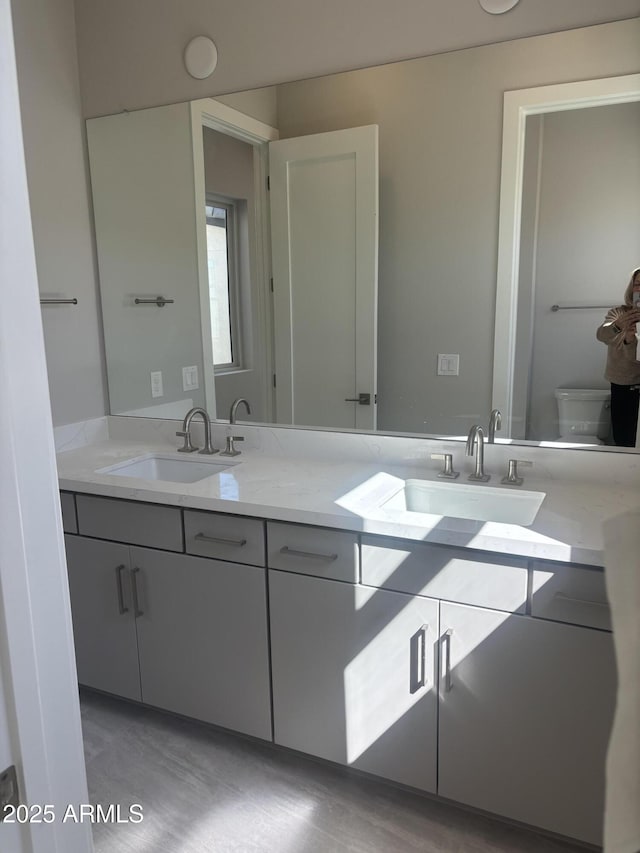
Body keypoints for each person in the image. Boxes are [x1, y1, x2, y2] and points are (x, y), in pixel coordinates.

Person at [596, 267, 640, 446]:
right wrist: (620, 326)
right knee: (624, 439)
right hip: (624, 384)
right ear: (632, 288)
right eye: (638, 284)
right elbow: (602, 335)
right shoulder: (618, 313)